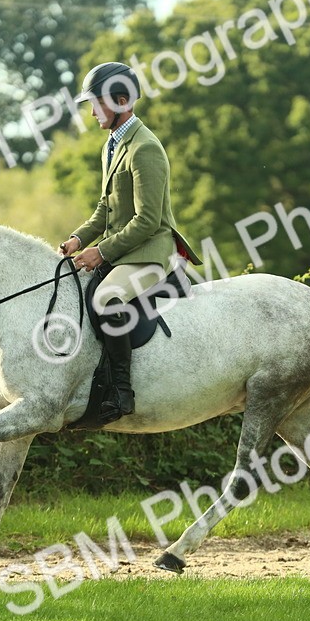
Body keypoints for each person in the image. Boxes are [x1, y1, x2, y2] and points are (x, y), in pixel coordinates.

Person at [59, 61, 201, 422]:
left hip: (151, 250)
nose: (90, 113)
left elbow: (147, 221)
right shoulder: (111, 145)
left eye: (96, 103)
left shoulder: (145, 149)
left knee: (107, 298)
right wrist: (79, 238)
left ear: (122, 101)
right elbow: (106, 208)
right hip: (125, 249)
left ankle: (121, 389)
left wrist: (101, 251)